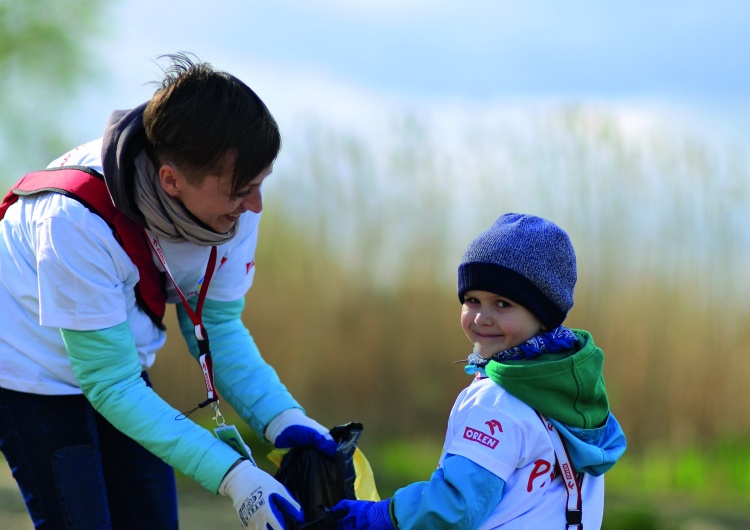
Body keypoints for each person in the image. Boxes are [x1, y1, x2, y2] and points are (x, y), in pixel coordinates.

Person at [0, 53, 337, 530]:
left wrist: (281, 418)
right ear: (171, 181)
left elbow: (217, 326)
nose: (256, 204)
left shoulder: (235, 203)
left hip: (118, 365)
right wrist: (235, 476)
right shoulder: (73, 221)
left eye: (260, 184)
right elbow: (110, 385)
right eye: (242, 190)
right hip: (28, 369)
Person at [333, 213, 627, 529]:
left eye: (502, 304)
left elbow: (455, 507)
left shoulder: (497, 401)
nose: (481, 318)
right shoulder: (575, 393)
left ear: (543, 315)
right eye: (472, 300)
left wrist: (383, 517)